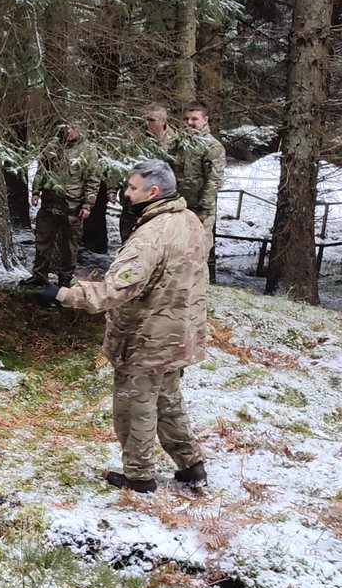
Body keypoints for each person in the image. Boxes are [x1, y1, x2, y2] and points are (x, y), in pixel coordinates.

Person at [32, 159, 209, 493]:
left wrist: (63, 294)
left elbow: (116, 289)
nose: (125, 193)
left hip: (148, 337)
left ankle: (139, 477)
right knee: (168, 401)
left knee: (135, 406)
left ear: (153, 192)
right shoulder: (189, 220)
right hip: (179, 333)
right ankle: (191, 465)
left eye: (132, 188)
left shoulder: (152, 235)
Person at [27, 121, 101, 287]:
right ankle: (39, 276)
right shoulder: (53, 146)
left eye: (73, 128)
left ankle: (65, 280)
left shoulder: (88, 150)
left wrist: (87, 205)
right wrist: (36, 191)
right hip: (50, 203)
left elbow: (93, 180)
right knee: (42, 241)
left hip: (73, 207)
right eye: (66, 128)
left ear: (80, 129)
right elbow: (42, 170)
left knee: (69, 246)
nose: (69, 131)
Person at [175, 101, 227, 281]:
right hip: (178, 207)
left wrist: (203, 209)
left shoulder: (212, 146)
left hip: (199, 210)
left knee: (198, 253)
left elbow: (214, 180)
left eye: (194, 119)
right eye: (186, 119)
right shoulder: (180, 144)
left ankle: (198, 293)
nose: (189, 123)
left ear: (205, 120)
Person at [116, 103, 175, 244]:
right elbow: (121, 163)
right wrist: (114, 188)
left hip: (160, 200)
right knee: (128, 239)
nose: (147, 123)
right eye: (145, 119)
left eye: (152, 120)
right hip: (133, 200)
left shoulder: (176, 141)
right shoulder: (135, 138)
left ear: (164, 120)